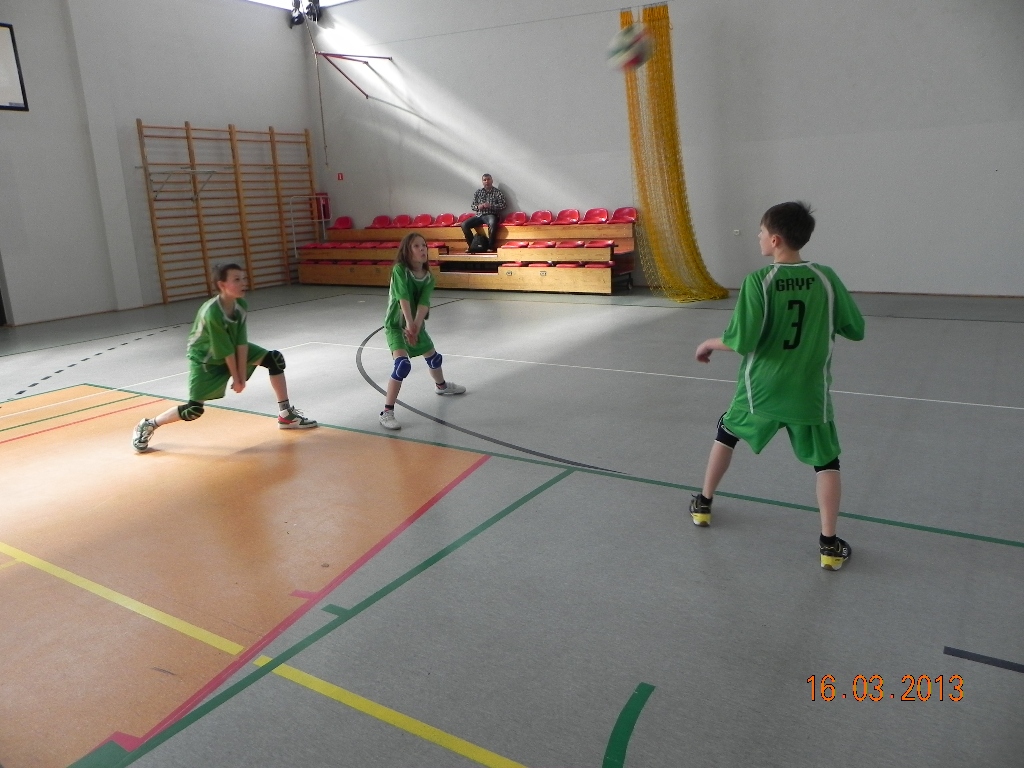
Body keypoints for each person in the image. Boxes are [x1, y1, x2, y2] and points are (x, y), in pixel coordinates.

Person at [689, 202, 865, 570]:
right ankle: (829, 546)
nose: (758, 237)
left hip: (761, 390)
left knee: (726, 433)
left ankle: (703, 504)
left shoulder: (759, 281)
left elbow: (742, 340)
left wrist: (709, 343)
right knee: (827, 462)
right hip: (809, 393)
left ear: (775, 240)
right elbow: (855, 329)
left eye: (760, 232)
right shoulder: (826, 278)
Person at [132, 263, 317, 451]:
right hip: (205, 361)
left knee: (274, 359)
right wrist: (237, 378)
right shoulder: (212, 312)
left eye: (243, 278)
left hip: (229, 349)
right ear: (222, 285)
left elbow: (240, 343)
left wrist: (241, 377)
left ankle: (285, 415)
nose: (243, 283)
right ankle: (149, 424)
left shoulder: (240, 305)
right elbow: (225, 350)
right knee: (193, 410)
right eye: (236, 279)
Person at [379, 232, 466, 430]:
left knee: (435, 359)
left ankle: (441, 386)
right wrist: (409, 324)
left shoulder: (428, 277)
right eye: (416, 246)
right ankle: (387, 412)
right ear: (407, 251)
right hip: (396, 326)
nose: (422, 249)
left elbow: (424, 303)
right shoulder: (400, 271)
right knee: (402, 365)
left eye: (424, 245)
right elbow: (403, 298)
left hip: (415, 325)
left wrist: (416, 326)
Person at [460, 173, 506, 252]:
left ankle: (490, 246)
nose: (487, 181)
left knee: (492, 222)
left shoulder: (497, 192)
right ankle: (472, 246)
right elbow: (473, 206)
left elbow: (503, 205)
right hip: (479, 215)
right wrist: (478, 207)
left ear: (492, 181)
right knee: (464, 225)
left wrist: (491, 206)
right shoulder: (478, 192)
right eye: (484, 180)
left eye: (488, 179)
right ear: (482, 182)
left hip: (491, 214)